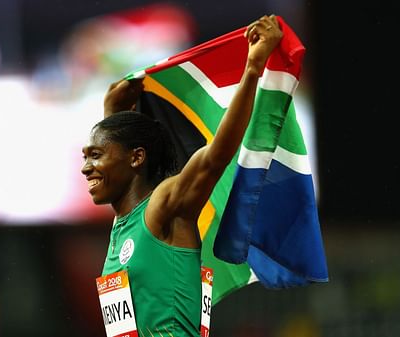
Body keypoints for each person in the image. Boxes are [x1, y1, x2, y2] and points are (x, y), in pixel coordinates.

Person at [81, 14, 283, 337]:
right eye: (86, 156)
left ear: (136, 158)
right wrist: (113, 117)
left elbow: (215, 156)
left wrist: (253, 68)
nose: (85, 167)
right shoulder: (123, 226)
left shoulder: (166, 205)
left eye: (95, 155)